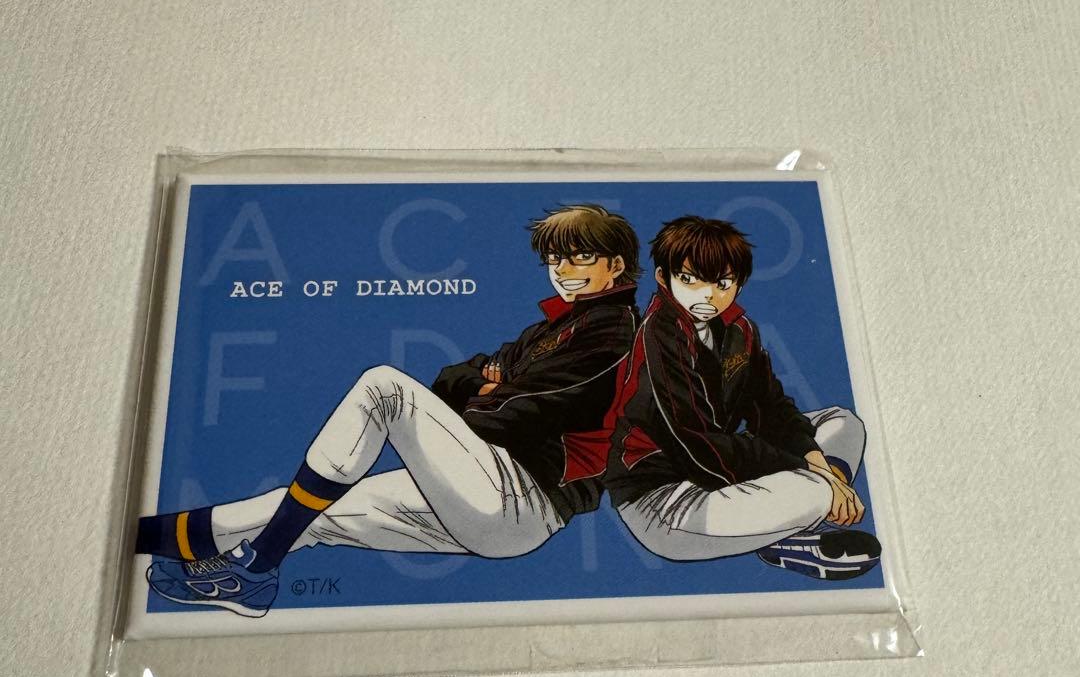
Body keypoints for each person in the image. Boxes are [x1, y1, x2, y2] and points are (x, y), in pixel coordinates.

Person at [138, 204, 641, 616]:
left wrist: (489, 392)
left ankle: (258, 564)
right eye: (555, 261)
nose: (563, 272)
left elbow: (525, 412)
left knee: (385, 390)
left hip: (523, 492)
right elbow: (452, 379)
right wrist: (484, 388)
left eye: (579, 258)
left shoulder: (616, 330)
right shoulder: (547, 330)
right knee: (309, 511)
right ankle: (145, 540)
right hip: (487, 490)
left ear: (616, 265)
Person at [603, 215, 881, 579]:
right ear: (663, 277)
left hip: (724, 473)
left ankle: (789, 520)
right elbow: (697, 442)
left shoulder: (739, 329)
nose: (707, 295)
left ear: (738, 283)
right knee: (815, 491)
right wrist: (813, 474)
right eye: (689, 279)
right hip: (665, 500)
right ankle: (806, 510)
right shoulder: (659, 335)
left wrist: (819, 463)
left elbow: (770, 406)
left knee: (844, 423)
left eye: (722, 283)